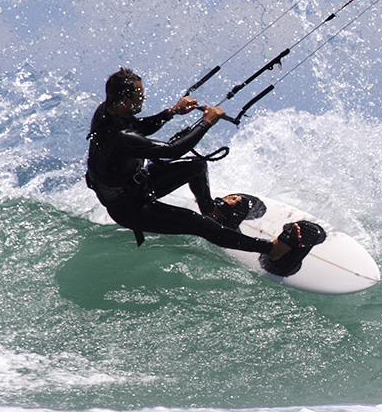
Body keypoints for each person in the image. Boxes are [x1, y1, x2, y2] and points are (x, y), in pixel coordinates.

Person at [86, 67, 308, 276]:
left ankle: (211, 210)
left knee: (196, 166)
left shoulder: (109, 110)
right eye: (139, 95)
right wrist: (206, 123)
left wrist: (172, 112)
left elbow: (139, 126)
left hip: (139, 185)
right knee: (197, 224)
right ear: (125, 101)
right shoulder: (119, 136)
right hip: (129, 206)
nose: (143, 99)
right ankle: (273, 249)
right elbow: (172, 150)